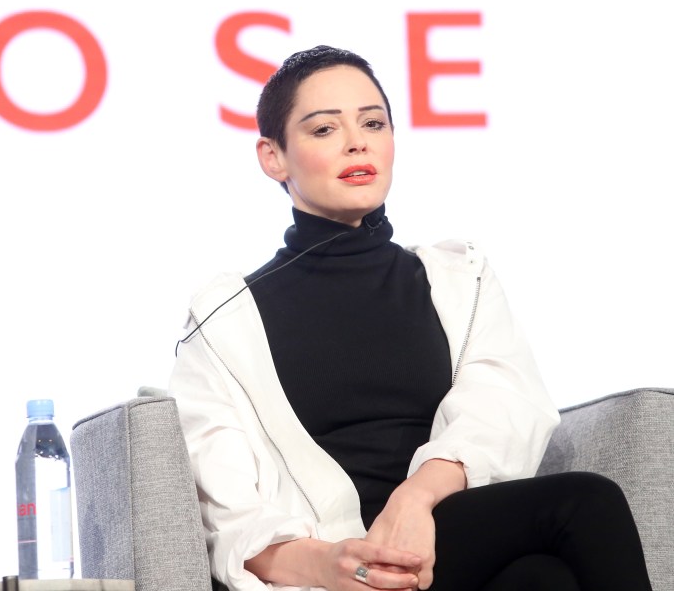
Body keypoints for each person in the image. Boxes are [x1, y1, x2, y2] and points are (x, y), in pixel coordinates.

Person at [168, 45, 653, 591]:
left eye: (373, 123)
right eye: (324, 129)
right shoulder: (224, 320)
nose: (357, 141)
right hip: (333, 566)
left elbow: (505, 408)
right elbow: (229, 514)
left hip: (441, 540)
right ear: (273, 156)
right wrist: (330, 564)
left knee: (543, 578)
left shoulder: (457, 279)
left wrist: (415, 497)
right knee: (581, 508)